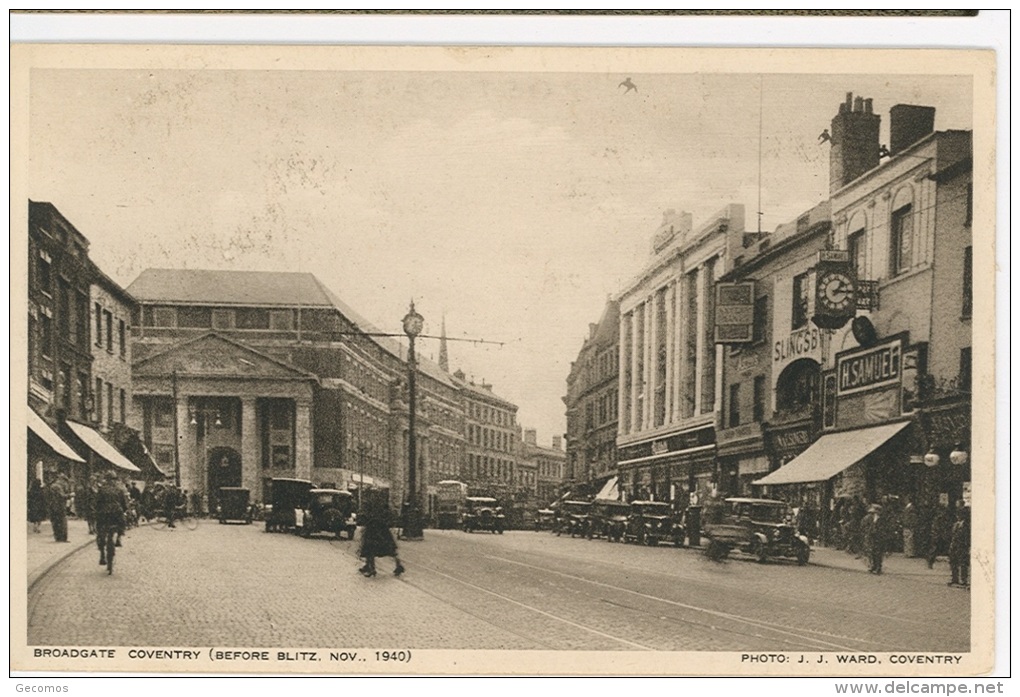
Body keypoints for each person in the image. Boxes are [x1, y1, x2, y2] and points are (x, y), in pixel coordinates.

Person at [357, 501, 405, 578]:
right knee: (390, 551)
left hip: (375, 532)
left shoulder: (373, 512)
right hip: (383, 532)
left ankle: (371, 569)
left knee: (370, 550)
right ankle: (398, 566)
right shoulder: (382, 512)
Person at [94, 471, 128, 569]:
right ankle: (118, 538)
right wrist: (124, 510)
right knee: (122, 523)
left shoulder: (102, 490)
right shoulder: (119, 490)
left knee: (100, 531)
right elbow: (124, 504)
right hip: (116, 513)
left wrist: (97, 511)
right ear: (114, 480)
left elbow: (97, 503)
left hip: (104, 514)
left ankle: (101, 555)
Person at [860, 503, 888, 574]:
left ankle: (878, 567)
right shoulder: (870, 518)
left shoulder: (882, 519)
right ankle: (873, 566)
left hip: (879, 537)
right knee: (872, 551)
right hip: (872, 536)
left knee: (878, 552)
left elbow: (884, 528)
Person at [948, 506, 971, 588]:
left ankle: (963, 579)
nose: (958, 516)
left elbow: (967, 537)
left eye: (959, 515)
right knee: (953, 562)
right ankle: (955, 578)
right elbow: (952, 535)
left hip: (962, 546)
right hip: (954, 545)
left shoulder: (967, 525)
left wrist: (967, 546)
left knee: (963, 563)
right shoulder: (956, 524)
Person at [46, 472, 71, 542]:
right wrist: (70, 495)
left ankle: (57, 537)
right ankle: (63, 538)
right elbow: (62, 496)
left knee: (55, 522)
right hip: (60, 506)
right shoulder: (58, 487)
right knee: (62, 522)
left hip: (52, 506)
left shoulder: (52, 486)